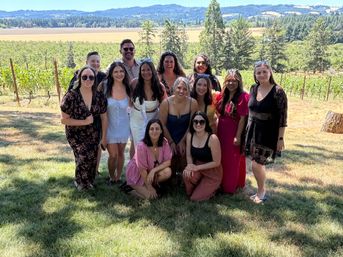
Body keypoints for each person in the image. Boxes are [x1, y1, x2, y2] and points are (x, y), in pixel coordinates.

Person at [245, 61, 288, 204]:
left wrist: (280, 138)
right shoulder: (253, 88)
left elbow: (282, 117)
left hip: (268, 132)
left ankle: (261, 191)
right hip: (252, 130)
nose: (262, 75)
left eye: (264, 71)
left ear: (270, 72)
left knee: (257, 164)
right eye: (259, 72)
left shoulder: (278, 91)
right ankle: (260, 189)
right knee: (255, 162)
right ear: (255, 75)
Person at [60, 66, 107, 191]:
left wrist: (104, 137)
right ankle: (80, 183)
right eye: (84, 77)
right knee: (82, 156)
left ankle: (89, 182)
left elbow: (104, 117)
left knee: (91, 158)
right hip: (75, 133)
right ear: (79, 78)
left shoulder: (99, 97)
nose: (88, 79)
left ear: (94, 79)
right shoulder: (70, 96)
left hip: (93, 133)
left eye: (91, 77)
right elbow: (64, 120)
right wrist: (84, 122)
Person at [215, 69, 249, 194]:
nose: (231, 83)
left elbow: (242, 119)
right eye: (228, 80)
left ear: (239, 82)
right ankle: (219, 183)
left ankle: (230, 186)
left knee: (232, 160)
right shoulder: (222, 95)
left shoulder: (243, 97)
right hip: (221, 131)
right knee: (222, 158)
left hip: (233, 133)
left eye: (234, 81)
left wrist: (238, 136)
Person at [159, 77, 198, 181]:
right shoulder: (166, 103)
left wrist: (183, 141)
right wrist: (171, 142)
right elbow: (162, 125)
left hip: (185, 136)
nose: (181, 91)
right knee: (170, 164)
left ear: (188, 91)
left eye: (185, 89)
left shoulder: (192, 103)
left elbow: (191, 125)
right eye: (179, 88)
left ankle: (183, 176)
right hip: (169, 137)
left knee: (184, 156)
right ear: (174, 88)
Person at [99, 62, 131, 184]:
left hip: (124, 126)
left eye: (121, 71)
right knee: (113, 155)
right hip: (109, 126)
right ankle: (112, 176)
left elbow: (132, 107)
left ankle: (118, 176)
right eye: (116, 72)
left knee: (121, 153)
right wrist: (103, 135)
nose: (119, 74)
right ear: (111, 74)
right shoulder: (104, 87)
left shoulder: (129, 88)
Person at [126, 119, 172, 199]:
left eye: (157, 129)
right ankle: (129, 189)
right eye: (151, 129)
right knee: (151, 197)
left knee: (168, 171)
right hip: (137, 174)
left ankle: (148, 186)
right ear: (148, 131)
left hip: (150, 171)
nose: (154, 131)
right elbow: (142, 170)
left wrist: (153, 171)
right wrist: (150, 187)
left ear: (161, 131)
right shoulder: (141, 146)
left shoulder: (164, 142)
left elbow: (168, 162)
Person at [183, 111, 222, 201]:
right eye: (195, 121)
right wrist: (189, 166)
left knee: (195, 198)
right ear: (192, 122)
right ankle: (197, 189)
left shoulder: (212, 138)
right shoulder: (190, 135)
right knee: (186, 174)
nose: (198, 124)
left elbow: (217, 162)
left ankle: (213, 189)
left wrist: (197, 168)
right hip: (198, 167)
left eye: (202, 122)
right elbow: (188, 155)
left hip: (212, 171)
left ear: (206, 123)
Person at [130, 60, 167, 152]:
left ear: (153, 71)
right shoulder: (134, 83)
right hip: (136, 120)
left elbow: (165, 104)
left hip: (153, 119)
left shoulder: (159, 86)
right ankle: (136, 165)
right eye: (143, 70)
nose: (146, 72)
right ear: (140, 71)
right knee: (138, 146)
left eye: (148, 70)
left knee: (151, 146)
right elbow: (128, 101)